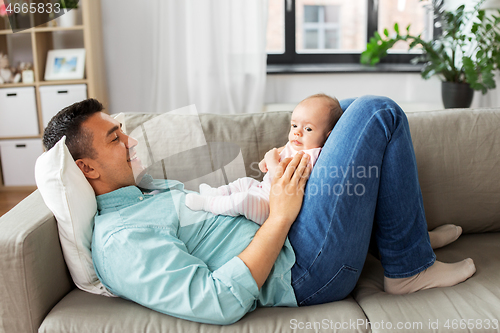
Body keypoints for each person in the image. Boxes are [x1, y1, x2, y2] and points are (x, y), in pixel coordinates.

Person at [42, 96, 476, 325]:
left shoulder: (145, 192)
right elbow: (214, 301)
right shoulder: (120, 240)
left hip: (294, 233)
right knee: (378, 112)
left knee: (334, 109)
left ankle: (400, 240)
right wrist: (282, 214)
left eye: (123, 131)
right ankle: (409, 269)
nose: (132, 141)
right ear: (87, 168)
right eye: (116, 139)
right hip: (304, 269)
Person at [185, 93, 343, 225]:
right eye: (294, 126)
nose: (297, 133)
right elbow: (277, 154)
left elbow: (282, 178)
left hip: (270, 206)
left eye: (308, 128)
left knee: (244, 200)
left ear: (327, 136)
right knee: (244, 182)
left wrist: (271, 160)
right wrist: (266, 160)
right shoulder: (296, 145)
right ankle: (215, 193)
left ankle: (207, 204)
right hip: (263, 188)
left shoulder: (310, 156)